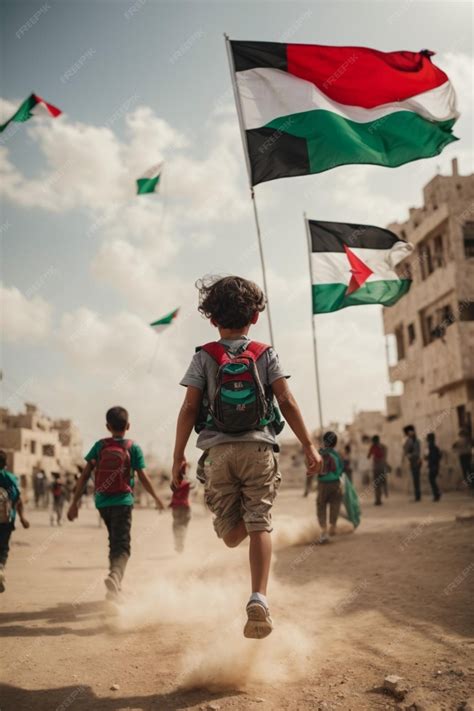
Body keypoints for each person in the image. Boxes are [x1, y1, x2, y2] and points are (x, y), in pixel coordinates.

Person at [173, 275, 321, 639]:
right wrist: (308, 444)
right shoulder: (264, 353)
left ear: (212, 319)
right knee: (260, 522)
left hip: (218, 453)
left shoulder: (204, 356)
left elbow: (190, 406)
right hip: (259, 448)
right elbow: (285, 400)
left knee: (230, 536)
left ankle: (241, 532)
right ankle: (259, 597)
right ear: (255, 316)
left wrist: (178, 454)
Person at [67, 406, 165, 600]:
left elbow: (85, 475)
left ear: (107, 426)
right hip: (123, 501)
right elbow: (143, 477)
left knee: (114, 541)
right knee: (122, 545)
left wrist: (74, 503)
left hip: (102, 503)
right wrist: (157, 498)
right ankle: (115, 576)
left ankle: (115, 585)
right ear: (128, 426)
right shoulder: (133, 447)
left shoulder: (100, 446)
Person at [0, 450, 30, 593]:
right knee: (3, 548)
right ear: (5, 464)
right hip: (6, 519)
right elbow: (17, 500)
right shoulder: (10, 478)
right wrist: (23, 518)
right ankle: (0, 568)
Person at [316, 431, 344, 543]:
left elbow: (311, 465)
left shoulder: (319, 453)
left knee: (321, 505)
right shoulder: (338, 455)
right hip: (336, 483)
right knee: (335, 504)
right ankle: (333, 526)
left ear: (324, 441)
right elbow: (342, 469)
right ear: (335, 443)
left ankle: (324, 531)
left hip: (323, 483)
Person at [170, 477, 192, 553]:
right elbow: (194, 485)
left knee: (176, 526)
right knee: (183, 526)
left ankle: (178, 543)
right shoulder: (187, 483)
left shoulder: (174, 482)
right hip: (185, 507)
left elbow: (172, 487)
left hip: (176, 506)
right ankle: (180, 544)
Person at [403, 425, 422, 501]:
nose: (409, 434)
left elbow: (416, 452)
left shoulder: (415, 441)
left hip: (415, 461)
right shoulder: (410, 440)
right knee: (415, 479)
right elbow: (405, 450)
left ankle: (418, 496)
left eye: (410, 432)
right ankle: (417, 495)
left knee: (416, 479)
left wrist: (410, 455)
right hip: (412, 461)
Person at [367, 435, 388, 506]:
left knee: (376, 485)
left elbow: (368, 456)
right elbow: (385, 457)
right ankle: (380, 498)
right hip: (382, 467)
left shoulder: (373, 447)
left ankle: (378, 500)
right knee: (382, 483)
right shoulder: (384, 447)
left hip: (376, 468)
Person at [425, 433, 442, 501]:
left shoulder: (430, 446)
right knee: (432, 480)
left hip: (433, 466)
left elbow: (431, 457)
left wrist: (427, 458)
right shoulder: (435, 447)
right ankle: (437, 494)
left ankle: (437, 494)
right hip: (435, 465)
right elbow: (439, 456)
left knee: (431, 480)